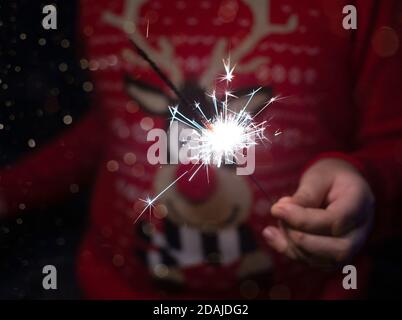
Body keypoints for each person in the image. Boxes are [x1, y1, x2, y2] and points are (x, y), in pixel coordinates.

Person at [1, 0, 402, 299]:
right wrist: (10, 191)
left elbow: (391, 140)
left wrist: (365, 178)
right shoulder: (104, 10)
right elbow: (112, 127)